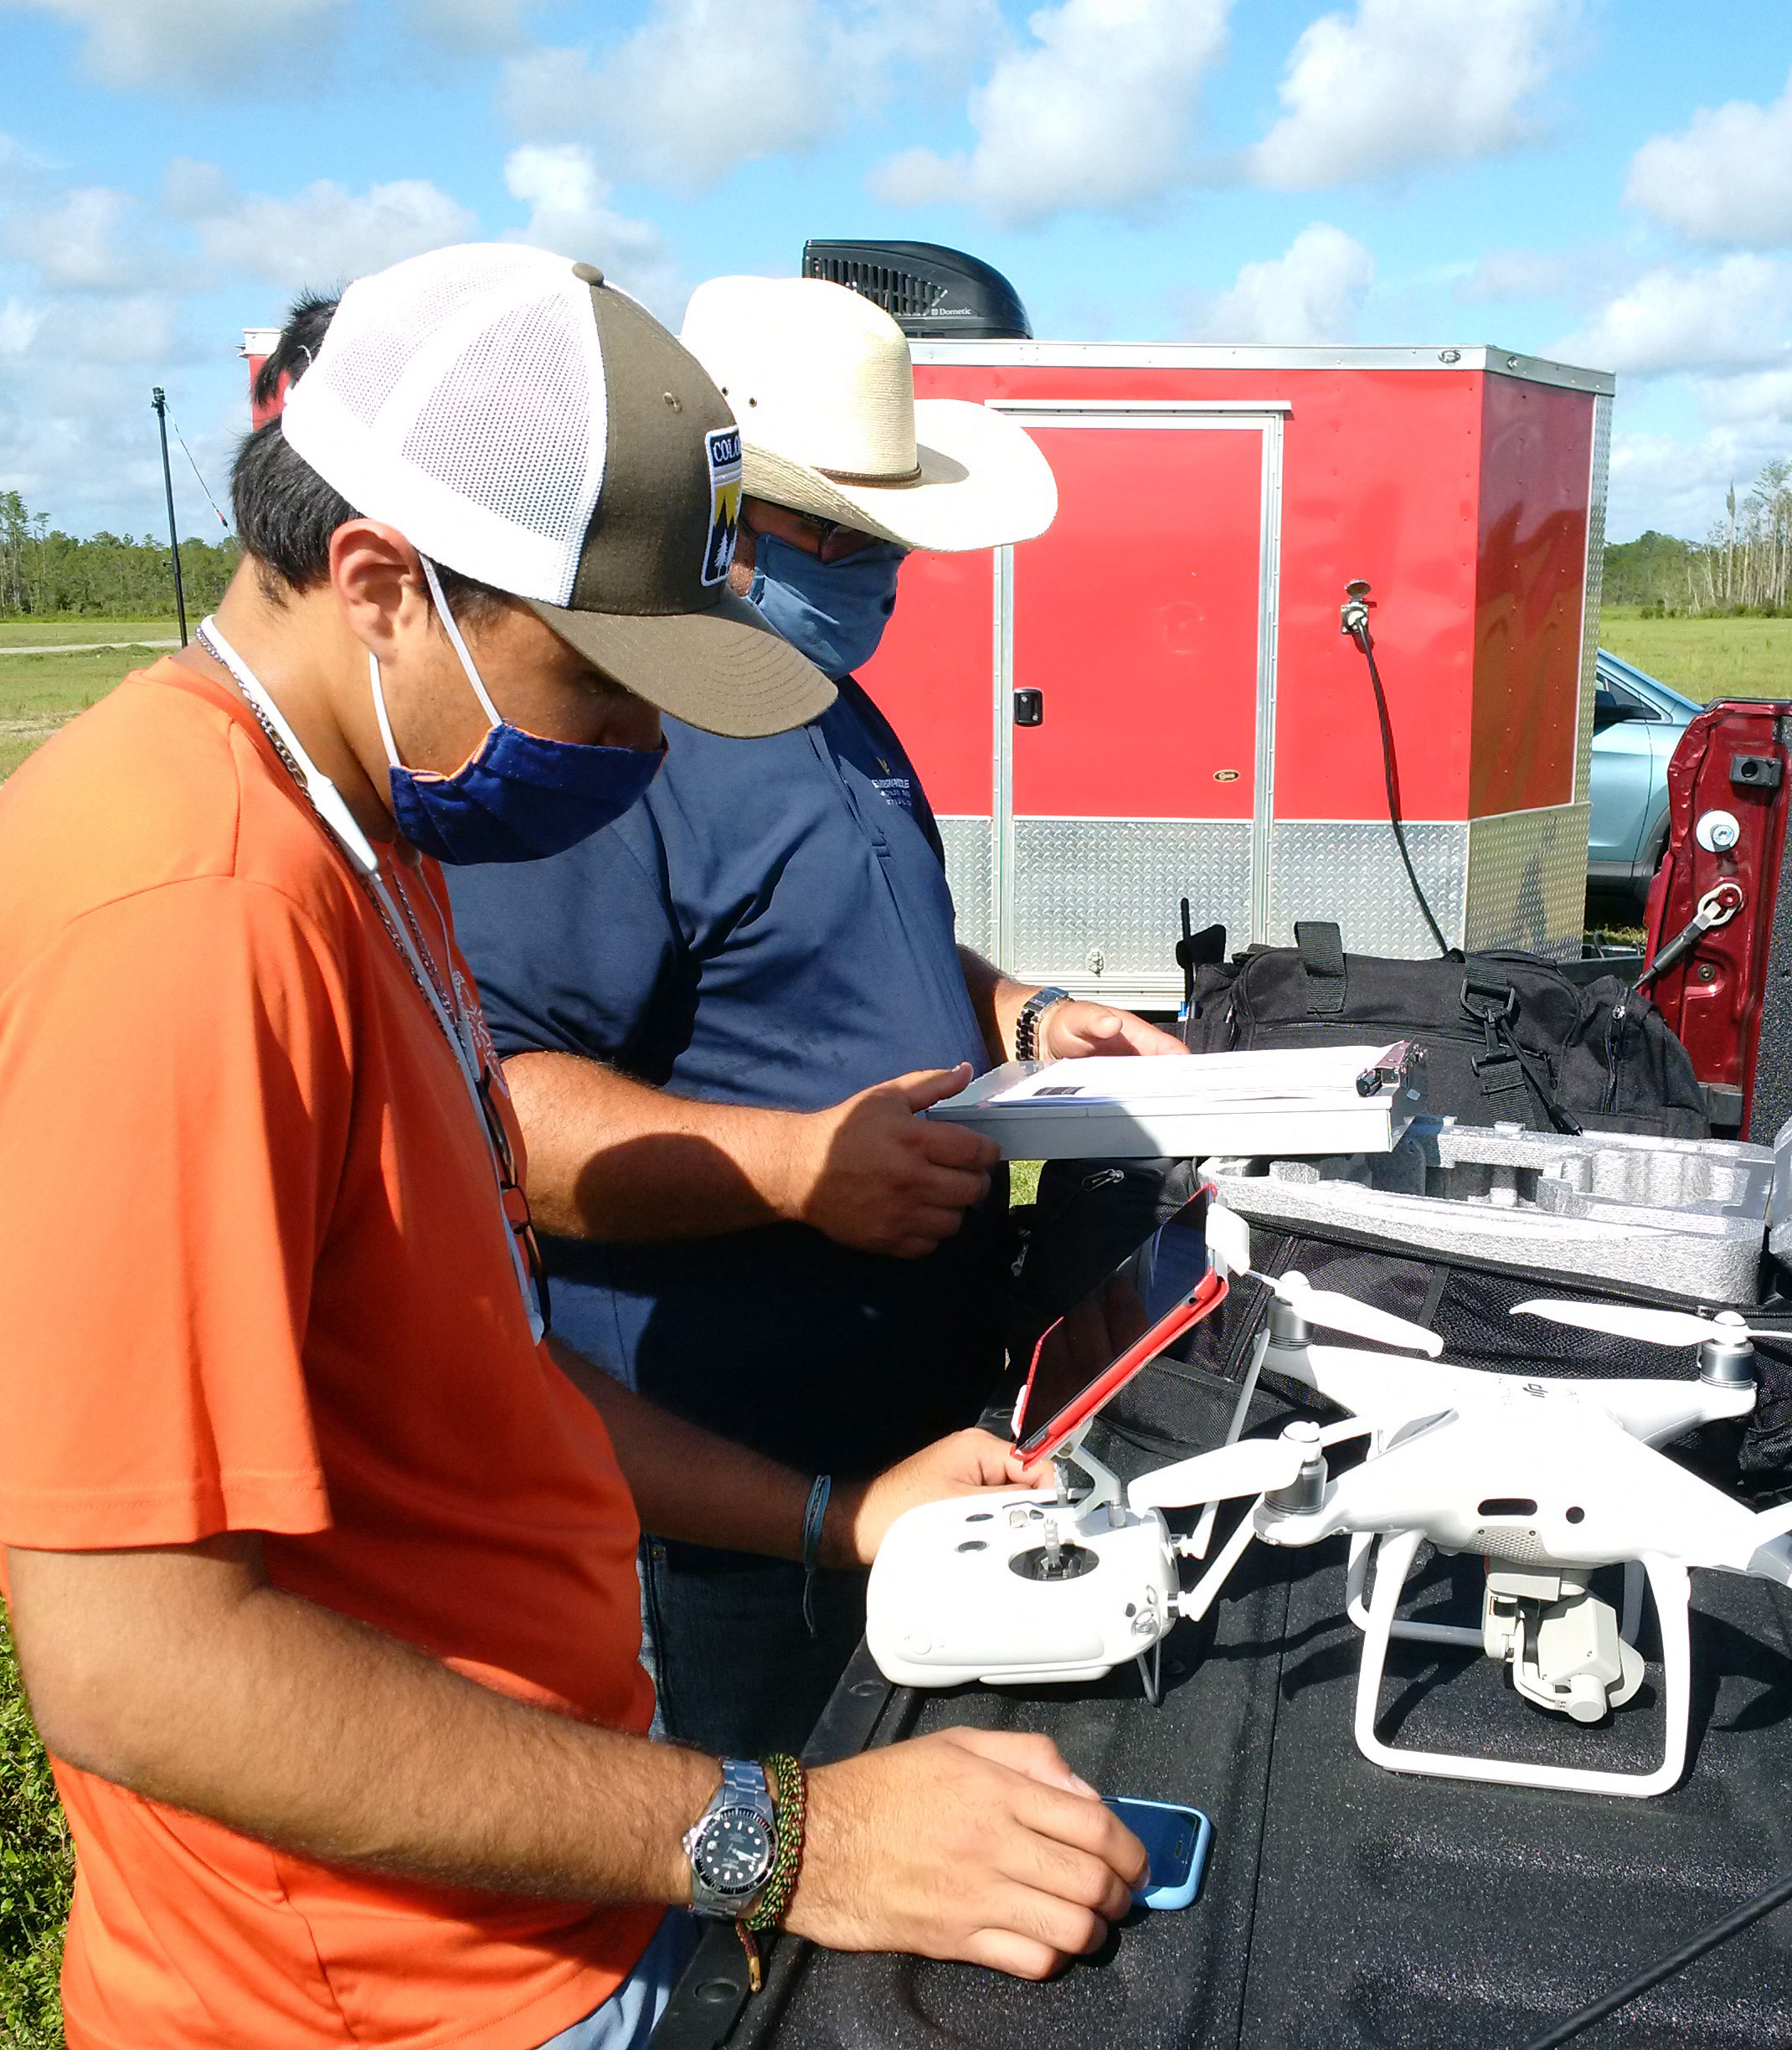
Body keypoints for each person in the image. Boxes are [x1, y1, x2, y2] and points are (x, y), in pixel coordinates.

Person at [0, 245, 1144, 2050]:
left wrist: (832, 1517)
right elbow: (140, 1665)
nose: (635, 743)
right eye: (606, 679)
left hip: (546, 1914)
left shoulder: (367, 839)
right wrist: (786, 1835)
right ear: (381, 585)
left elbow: (473, 1374)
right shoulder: (194, 911)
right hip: (376, 2001)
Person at [445, 276, 1184, 1759]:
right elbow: (496, 1113)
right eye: (829, 528)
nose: (872, 569)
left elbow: (850, 933)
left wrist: (1025, 1014)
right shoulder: (616, 742)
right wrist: (797, 1167)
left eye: (883, 534)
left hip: (915, 1454)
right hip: (728, 1511)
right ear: (714, 519)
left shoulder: (827, 694)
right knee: (762, 1898)